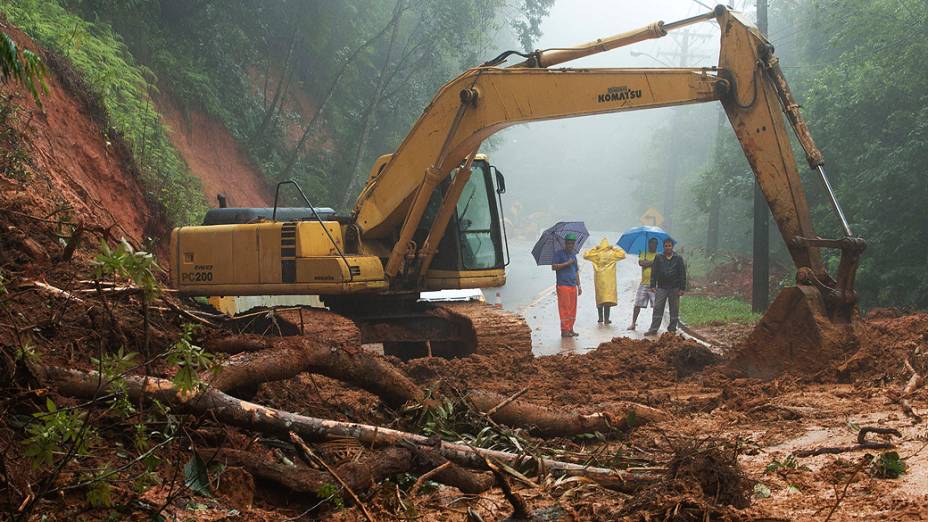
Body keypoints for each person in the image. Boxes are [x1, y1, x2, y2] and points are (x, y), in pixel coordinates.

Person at [645, 238, 686, 336]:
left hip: (674, 287)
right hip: (661, 287)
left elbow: (682, 274)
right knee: (658, 308)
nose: (668, 248)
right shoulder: (658, 257)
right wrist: (652, 285)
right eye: (666, 246)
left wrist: (682, 288)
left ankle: (672, 329)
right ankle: (653, 329)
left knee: (674, 309)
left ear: (672, 247)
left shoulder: (678, 258)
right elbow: (654, 272)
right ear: (663, 247)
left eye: (669, 246)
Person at [582, 238, 626, 324]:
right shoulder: (613, 254)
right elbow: (623, 255)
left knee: (599, 297)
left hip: (599, 278)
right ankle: (606, 319)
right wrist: (613, 248)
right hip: (609, 280)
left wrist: (595, 248)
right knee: (607, 299)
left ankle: (600, 318)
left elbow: (585, 255)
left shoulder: (596, 254)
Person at [552, 233, 582, 337]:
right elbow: (554, 267)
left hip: (573, 285)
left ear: (574, 244)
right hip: (563, 285)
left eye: (572, 243)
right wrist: (566, 263)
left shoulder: (573, 255)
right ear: (565, 243)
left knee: (572, 308)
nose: (570, 245)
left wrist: (579, 285)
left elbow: (576, 271)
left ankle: (570, 328)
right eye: (568, 243)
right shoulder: (559, 254)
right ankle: (564, 330)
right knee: (564, 308)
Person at [629, 237, 658, 330]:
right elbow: (641, 263)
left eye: (654, 244)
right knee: (637, 304)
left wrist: (648, 263)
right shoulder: (643, 253)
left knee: (656, 306)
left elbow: (656, 265)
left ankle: (654, 326)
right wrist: (652, 263)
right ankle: (633, 323)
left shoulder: (659, 255)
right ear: (648, 244)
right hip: (644, 283)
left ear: (656, 245)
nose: (652, 245)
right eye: (651, 243)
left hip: (655, 284)